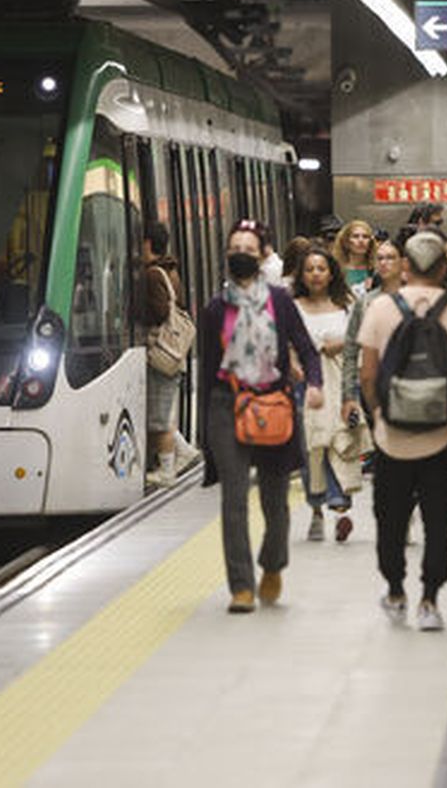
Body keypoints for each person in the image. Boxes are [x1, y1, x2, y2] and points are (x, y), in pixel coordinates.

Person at [360, 232, 447, 632]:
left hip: (391, 436)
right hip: (444, 433)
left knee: (391, 517)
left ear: (406, 266)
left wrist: (380, 414)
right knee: (438, 519)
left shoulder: (381, 308)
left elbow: (367, 374)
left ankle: (396, 590)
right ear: (444, 268)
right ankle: (430, 600)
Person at [199, 219, 324, 614]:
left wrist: (316, 385)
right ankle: (240, 586)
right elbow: (205, 372)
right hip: (227, 405)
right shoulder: (214, 309)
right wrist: (204, 430)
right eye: (234, 247)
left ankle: (272, 564)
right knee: (233, 500)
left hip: (274, 405)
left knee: (276, 502)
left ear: (262, 255)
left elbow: (306, 348)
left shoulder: (279, 301)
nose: (240, 254)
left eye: (248, 249)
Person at [292, 247, 362, 542]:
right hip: (305, 385)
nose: (316, 274)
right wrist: (296, 367)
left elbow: (360, 339)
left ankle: (338, 504)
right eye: (310, 269)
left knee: (339, 439)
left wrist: (341, 345)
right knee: (312, 448)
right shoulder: (292, 306)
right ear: (302, 275)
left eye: (321, 268)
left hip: (341, 382)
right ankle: (318, 508)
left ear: (331, 272)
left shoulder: (348, 304)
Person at [139, 222, 198, 490]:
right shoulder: (170, 270)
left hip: (161, 354)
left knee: (158, 417)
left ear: (149, 244)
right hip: (174, 355)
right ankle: (184, 451)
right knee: (161, 410)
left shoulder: (153, 274)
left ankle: (166, 469)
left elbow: (161, 312)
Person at [342, 239, 402, 425]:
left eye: (390, 258)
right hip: (372, 384)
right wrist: (349, 394)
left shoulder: (416, 298)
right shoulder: (366, 302)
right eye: (380, 258)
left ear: (403, 262)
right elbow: (351, 349)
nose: (384, 263)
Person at [332, 219, 377, 295]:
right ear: (346, 242)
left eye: (365, 237)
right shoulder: (336, 269)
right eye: (355, 236)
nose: (361, 240)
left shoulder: (376, 270)